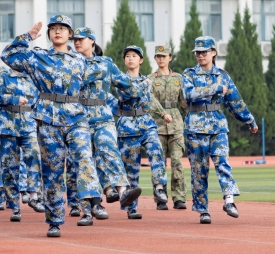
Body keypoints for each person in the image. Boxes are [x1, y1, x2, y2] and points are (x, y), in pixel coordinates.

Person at [1, 15, 104, 238]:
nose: (58, 31)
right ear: (48, 34)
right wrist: (27, 37)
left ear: (70, 34)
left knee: (84, 155)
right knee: (53, 171)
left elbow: (95, 84)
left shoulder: (81, 60)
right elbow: (7, 55)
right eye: (54, 28)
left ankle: (93, 200)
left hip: (76, 117)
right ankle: (55, 220)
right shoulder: (38, 57)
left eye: (63, 28)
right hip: (48, 117)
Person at [70, 28, 144, 220]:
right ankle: (88, 209)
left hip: (103, 116)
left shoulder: (106, 63)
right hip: (78, 117)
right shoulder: (69, 62)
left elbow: (125, 83)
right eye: (75, 39)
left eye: (81, 39)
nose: (77, 42)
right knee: (85, 161)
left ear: (92, 41)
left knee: (110, 151)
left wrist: (138, 92)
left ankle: (123, 191)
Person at [183, 36, 258, 224]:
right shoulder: (189, 74)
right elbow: (189, 94)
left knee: (222, 161)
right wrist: (215, 88)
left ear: (214, 52)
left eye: (204, 52)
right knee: (199, 170)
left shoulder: (223, 76)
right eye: (198, 52)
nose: (200, 55)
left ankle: (229, 200)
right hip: (195, 127)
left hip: (218, 125)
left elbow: (235, 102)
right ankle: (203, 210)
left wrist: (249, 120)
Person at [116, 46, 172, 218]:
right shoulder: (121, 80)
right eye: (127, 56)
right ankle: (132, 208)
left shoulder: (147, 80)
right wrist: (144, 85)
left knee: (156, 151)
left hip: (146, 122)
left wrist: (163, 113)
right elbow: (127, 95)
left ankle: (159, 187)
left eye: (134, 56)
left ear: (141, 60)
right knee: (131, 168)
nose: (130, 58)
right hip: (128, 126)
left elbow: (151, 101)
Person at [0, 64, 44, 222]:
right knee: (10, 167)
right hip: (8, 126)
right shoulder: (3, 75)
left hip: (28, 125)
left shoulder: (33, 75)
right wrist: (14, 99)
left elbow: (40, 99)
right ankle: (14, 206)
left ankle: (34, 196)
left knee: (34, 156)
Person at [150, 45, 188, 209]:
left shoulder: (178, 78)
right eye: (158, 56)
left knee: (177, 161)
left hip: (176, 124)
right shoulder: (150, 79)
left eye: (164, 56)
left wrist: (190, 122)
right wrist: (162, 113)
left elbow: (184, 103)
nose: (161, 59)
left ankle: (179, 197)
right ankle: (161, 198)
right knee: (159, 162)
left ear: (170, 58)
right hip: (157, 124)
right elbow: (150, 102)